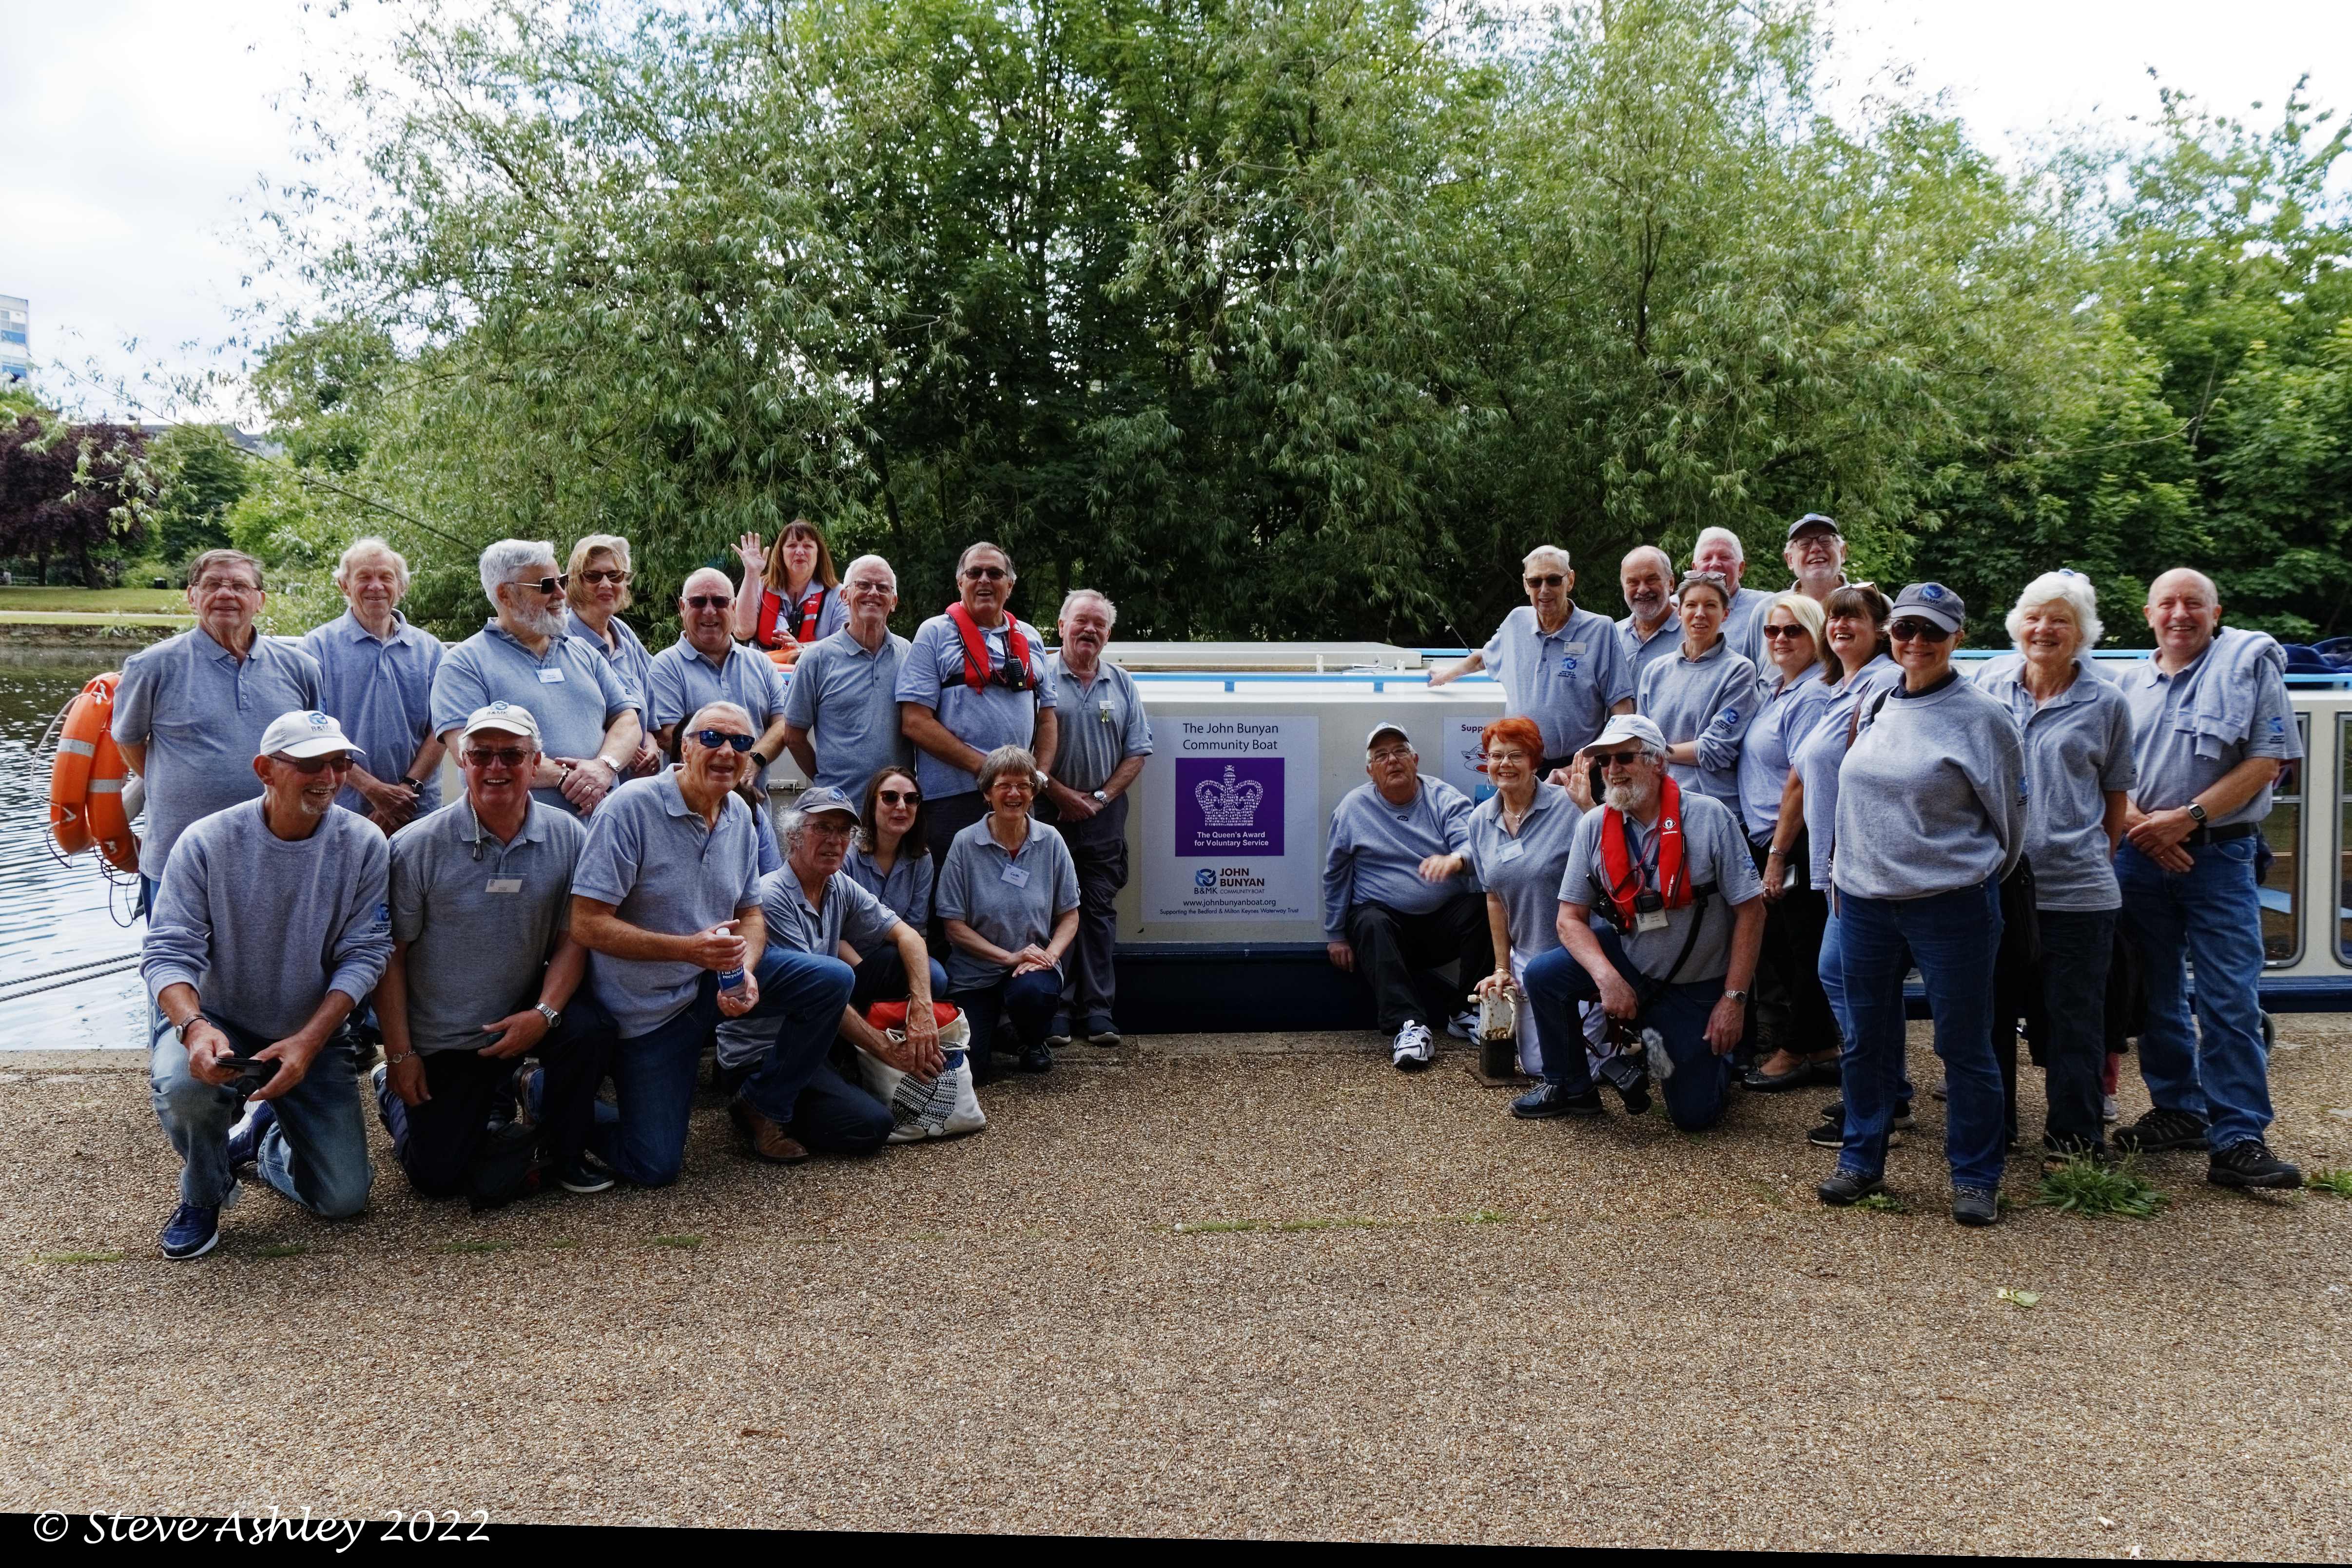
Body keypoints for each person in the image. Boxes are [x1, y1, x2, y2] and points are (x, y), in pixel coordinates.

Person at [568, 702, 853, 1182]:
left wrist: (746, 969)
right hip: (648, 1010)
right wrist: (686, 949)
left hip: (712, 983)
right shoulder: (631, 808)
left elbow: (752, 913)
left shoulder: (739, 813)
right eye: (712, 738)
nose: (727, 751)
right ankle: (545, 1092)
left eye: (741, 742)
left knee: (831, 980)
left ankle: (762, 1103)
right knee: (653, 1166)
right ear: (683, 745)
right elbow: (587, 924)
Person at [142, 710, 390, 1259]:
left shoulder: (366, 844)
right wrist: (193, 1026)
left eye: (340, 762)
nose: (328, 776)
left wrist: (312, 1039)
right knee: (186, 1089)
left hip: (312, 1029)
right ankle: (203, 1193)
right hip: (218, 1017)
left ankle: (263, 1140)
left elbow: (366, 953)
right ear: (265, 769)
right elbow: (166, 952)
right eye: (310, 763)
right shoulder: (205, 842)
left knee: (344, 1199)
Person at [1819, 583, 2025, 1228]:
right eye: (1905, 629)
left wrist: (1963, 875)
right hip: (1865, 906)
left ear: (1956, 637)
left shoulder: (1985, 716)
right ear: (1890, 634)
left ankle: (1975, 1175)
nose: (1916, 642)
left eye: (1931, 632)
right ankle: (1861, 1160)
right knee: (1864, 1041)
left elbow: (2011, 824)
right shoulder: (1878, 699)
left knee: (1963, 1045)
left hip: (1950, 907)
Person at [374, 702, 619, 1201]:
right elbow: (390, 957)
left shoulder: (569, 835)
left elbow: (576, 934)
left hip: (524, 1006)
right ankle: (390, 1091)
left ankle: (563, 1149)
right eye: (481, 754)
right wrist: (400, 1055)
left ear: (537, 764)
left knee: (589, 1030)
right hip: (447, 1030)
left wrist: (545, 1013)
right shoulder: (415, 847)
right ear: (461, 763)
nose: (496, 767)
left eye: (512, 755)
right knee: (437, 1179)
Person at [2112, 567, 2303, 1189]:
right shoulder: (2126, 684)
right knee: (2158, 995)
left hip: (2219, 857)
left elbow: (2266, 762)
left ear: (2215, 613)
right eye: (2166, 603)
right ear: (2147, 614)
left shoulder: (2250, 666)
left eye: (2193, 603)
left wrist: (2187, 819)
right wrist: (2146, 826)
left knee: (2229, 999)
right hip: (2140, 855)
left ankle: (2239, 1137)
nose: (2179, 614)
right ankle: (2178, 1110)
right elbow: (2106, 773)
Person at [1515, 714, 1764, 1128]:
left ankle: (1721, 1059)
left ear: (1658, 762)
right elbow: (1569, 919)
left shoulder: (1709, 817)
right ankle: (1570, 1086)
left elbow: (1752, 911)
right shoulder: (1593, 825)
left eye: (1624, 758)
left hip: (1694, 980)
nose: (1612, 770)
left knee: (1692, 1118)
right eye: (1605, 761)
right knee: (1543, 975)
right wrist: (1606, 977)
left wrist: (1734, 1001)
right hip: (1631, 958)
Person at [1973, 572, 2135, 1160]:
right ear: (2019, 625)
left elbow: (2115, 796)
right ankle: (1993, 1132)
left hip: (2078, 889)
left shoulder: (2107, 702)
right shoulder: (1986, 684)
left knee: (2075, 1022)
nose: (2045, 629)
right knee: (1989, 1016)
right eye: (2035, 617)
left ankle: (2074, 1140)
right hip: (1994, 882)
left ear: (2081, 633)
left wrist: (2092, 851)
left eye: (2060, 620)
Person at [713, 786, 946, 1153]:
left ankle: (839, 1069)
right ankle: (756, 1101)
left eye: (843, 831)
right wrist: (886, 1050)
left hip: (812, 1036)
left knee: (929, 974)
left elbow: (909, 936)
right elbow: (822, 996)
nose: (835, 841)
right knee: (870, 1127)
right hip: (765, 1053)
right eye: (822, 828)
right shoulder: (772, 896)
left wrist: (922, 1011)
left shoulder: (838, 884)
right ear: (792, 835)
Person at [1773, 582, 1905, 1149]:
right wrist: (1782, 853)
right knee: (1855, 982)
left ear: (1881, 630)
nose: (1841, 626)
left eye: (1854, 618)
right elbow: (1803, 776)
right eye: (1834, 618)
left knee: (1846, 979)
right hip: (1832, 864)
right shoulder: (1836, 688)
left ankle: (1874, 1103)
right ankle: (1884, 1093)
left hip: (1865, 864)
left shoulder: (1882, 685)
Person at [114, 548, 322, 904]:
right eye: (212, 584)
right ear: (192, 597)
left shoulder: (301, 668)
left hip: (278, 856)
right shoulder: (151, 667)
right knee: (178, 959)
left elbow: (316, 750)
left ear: (260, 600)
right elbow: (130, 743)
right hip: (178, 861)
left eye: (240, 586)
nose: (225, 594)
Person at [431, 540, 642, 819]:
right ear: (505, 594)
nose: (560, 594)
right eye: (546, 585)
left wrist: (604, 768)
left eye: (562, 581)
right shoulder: (463, 664)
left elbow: (627, 720)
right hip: (522, 840)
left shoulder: (583, 652)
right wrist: (568, 777)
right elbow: (468, 754)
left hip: (604, 831)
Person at [1323, 722, 1490, 1069]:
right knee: (1369, 919)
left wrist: (1454, 861)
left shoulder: (1444, 798)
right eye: (1381, 755)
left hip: (1442, 920)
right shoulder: (1352, 808)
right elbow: (1336, 873)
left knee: (1485, 908)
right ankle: (1409, 1026)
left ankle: (1466, 1010)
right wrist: (1335, 933)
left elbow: (1474, 850)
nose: (1392, 760)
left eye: (1400, 751)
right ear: (1370, 771)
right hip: (1384, 928)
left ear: (1415, 759)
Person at [1036, 589, 1153, 1049]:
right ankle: (1057, 1010)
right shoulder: (1039, 676)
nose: (1089, 630)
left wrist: (1099, 798)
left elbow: (1138, 751)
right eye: (1081, 621)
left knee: (1099, 911)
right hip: (1047, 813)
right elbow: (1024, 749)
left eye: (1098, 624)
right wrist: (1061, 794)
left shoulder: (1121, 682)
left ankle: (1098, 1010)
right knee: (1049, 910)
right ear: (1061, 626)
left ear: (1108, 633)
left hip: (1103, 818)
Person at [896, 541, 1060, 864]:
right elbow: (914, 720)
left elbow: (1048, 718)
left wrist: (1038, 777)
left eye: (995, 573)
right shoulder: (933, 633)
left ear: (1009, 585)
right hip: (952, 800)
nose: (984, 579)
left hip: (1017, 797)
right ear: (960, 583)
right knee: (949, 898)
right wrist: (986, 769)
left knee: (1014, 892)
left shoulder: (1030, 637)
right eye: (975, 572)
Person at [1733, 592, 1839, 1092]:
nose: (1779, 639)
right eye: (1772, 631)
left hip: (1794, 841)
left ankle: (1794, 1051)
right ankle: (1821, 1047)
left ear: (1816, 634)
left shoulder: (1815, 693)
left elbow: (1800, 780)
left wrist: (1776, 856)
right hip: (1767, 838)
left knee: (1802, 949)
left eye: (1792, 630)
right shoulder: (1780, 689)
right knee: (1783, 947)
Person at [936, 746, 1081, 1080]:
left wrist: (1048, 956)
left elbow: (1070, 916)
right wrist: (1008, 957)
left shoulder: (1051, 841)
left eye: (1024, 785)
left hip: (1033, 968)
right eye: (1004, 785)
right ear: (987, 793)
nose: (1014, 793)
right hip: (976, 971)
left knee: (1033, 993)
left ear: (1034, 792)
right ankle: (1003, 1031)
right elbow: (953, 926)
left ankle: (1033, 1040)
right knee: (972, 1072)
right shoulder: (965, 843)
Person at [1427, 545, 1634, 774]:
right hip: (1519, 767)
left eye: (1554, 580)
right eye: (1536, 582)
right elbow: (1481, 659)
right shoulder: (1516, 621)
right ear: (1526, 585)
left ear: (1570, 580)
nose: (1544, 590)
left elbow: (1623, 710)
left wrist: (1591, 762)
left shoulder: (1600, 630)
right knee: (1515, 813)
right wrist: (1445, 675)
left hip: (1578, 768)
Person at [300, 537, 445, 833]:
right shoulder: (317, 647)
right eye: (364, 577)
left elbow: (441, 726)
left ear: (401, 588)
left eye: (386, 578)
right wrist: (374, 791)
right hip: (343, 806)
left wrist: (405, 790)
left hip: (416, 807)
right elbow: (314, 732)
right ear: (345, 585)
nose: (376, 586)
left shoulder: (430, 650)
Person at [1463, 717, 1580, 1083]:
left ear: (1535, 762)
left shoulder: (1569, 807)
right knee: (1537, 1066)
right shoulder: (1480, 820)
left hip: (1577, 953)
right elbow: (1493, 898)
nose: (1505, 764)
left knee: (1580, 1067)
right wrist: (1503, 968)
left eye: (1516, 755)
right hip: (1527, 956)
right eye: (1496, 755)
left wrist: (1591, 806)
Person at [644, 567, 793, 794]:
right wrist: (736, 777)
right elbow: (670, 736)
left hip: (755, 810)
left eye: (720, 601)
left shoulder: (761, 664)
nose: (710, 611)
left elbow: (783, 723)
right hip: (691, 811)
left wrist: (754, 760)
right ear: (682, 608)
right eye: (699, 602)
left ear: (733, 607)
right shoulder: (665, 666)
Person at [780, 553, 915, 800]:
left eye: (883, 588)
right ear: (845, 596)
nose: (873, 593)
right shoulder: (817, 659)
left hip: (897, 810)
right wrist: (826, 784)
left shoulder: (909, 654)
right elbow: (793, 736)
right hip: (840, 811)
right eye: (863, 585)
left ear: (894, 600)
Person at [1638, 570, 1757, 808]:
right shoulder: (1655, 671)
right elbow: (1638, 739)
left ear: (1725, 614)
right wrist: (1644, 750)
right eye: (1692, 605)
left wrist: (1651, 752)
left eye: (1711, 605)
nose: (1700, 614)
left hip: (1710, 808)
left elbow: (1714, 750)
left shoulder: (1739, 671)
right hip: (1654, 805)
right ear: (1679, 612)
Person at [562, 534, 661, 776]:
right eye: (594, 576)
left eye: (615, 576)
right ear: (575, 581)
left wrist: (651, 746)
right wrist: (620, 752)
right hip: (588, 787)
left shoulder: (624, 636)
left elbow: (649, 714)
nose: (606, 584)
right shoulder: (560, 641)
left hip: (636, 790)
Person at [843, 768, 934, 1005]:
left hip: (896, 952)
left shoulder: (922, 859)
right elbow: (832, 933)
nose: (902, 806)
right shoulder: (847, 854)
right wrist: (867, 974)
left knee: (937, 978)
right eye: (890, 797)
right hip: (847, 956)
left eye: (911, 799)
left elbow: (915, 927)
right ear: (872, 804)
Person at [733, 518, 846, 658]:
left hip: (819, 674)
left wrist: (802, 649)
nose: (799, 552)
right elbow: (742, 632)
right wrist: (751, 573)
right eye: (792, 546)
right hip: (762, 673)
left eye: (808, 546)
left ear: (819, 554)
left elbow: (844, 645)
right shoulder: (759, 586)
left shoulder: (838, 594)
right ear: (781, 553)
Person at [1692, 525, 1777, 670]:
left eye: (1724, 557)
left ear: (1741, 569)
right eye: (1707, 558)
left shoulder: (1769, 606)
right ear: (1694, 569)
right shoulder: (1677, 608)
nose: (1715, 564)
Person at [1615, 545, 1682, 688]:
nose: (1643, 589)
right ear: (1623, 587)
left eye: (1651, 580)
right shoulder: (1612, 636)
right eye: (1633, 582)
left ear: (1670, 583)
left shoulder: (1693, 637)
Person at [1782, 514, 1847, 607]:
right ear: (1790, 559)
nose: (1816, 548)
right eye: (1804, 543)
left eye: (1825, 540)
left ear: (1842, 552)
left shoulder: (1868, 605)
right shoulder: (1768, 610)